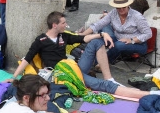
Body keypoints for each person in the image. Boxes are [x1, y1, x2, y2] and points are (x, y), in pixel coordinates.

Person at [9, 11, 150, 98]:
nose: (66, 25)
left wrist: (102, 33)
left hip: (73, 67)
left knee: (97, 42)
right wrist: (14, 77)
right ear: (54, 25)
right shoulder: (41, 40)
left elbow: (83, 38)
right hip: (64, 74)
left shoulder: (63, 36)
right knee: (102, 86)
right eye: (63, 23)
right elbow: (27, 59)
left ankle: (109, 78)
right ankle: (147, 95)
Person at [80, 0, 153, 65]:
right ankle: (85, 55)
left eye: (124, 7)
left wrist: (131, 40)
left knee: (118, 45)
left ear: (128, 5)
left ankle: (97, 62)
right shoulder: (113, 13)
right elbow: (98, 24)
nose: (121, 9)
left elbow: (148, 34)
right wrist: (81, 36)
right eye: (118, 7)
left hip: (137, 44)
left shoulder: (137, 16)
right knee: (100, 38)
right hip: (117, 39)